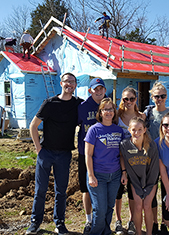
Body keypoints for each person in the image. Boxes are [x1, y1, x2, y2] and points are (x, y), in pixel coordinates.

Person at [26, 73, 83, 235]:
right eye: (67, 81)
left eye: (73, 82)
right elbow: (33, 126)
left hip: (65, 154)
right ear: (61, 83)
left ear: (75, 85)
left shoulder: (78, 104)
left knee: (61, 192)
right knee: (40, 190)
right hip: (47, 153)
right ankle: (35, 223)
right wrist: (39, 149)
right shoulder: (50, 103)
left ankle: (60, 223)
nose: (69, 84)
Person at [85, 97, 126, 235]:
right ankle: (96, 232)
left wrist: (124, 173)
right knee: (100, 209)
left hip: (114, 175)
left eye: (111, 109)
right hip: (98, 175)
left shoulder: (119, 131)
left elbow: (121, 155)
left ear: (114, 112)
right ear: (100, 112)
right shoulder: (94, 130)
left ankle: (106, 231)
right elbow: (88, 155)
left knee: (109, 207)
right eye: (105, 109)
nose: (108, 112)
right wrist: (90, 175)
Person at [144, 81, 169, 235]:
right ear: (152, 97)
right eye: (156, 96)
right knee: (152, 191)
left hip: (167, 156)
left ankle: (165, 222)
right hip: (151, 157)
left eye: (162, 96)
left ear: (166, 96)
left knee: (166, 190)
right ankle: (155, 223)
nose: (160, 99)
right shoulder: (148, 113)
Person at [120, 117, 159, 235]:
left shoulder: (151, 146)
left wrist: (148, 186)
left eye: (139, 129)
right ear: (129, 130)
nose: (136, 132)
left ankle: (149, 233)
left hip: (150, 180)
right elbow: (122, 157)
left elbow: (154, 169)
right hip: (135, 180)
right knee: (137, 206)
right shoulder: (125, 144)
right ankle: (138, 232)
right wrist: (124, 173)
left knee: (147, 206)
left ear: (145, 130)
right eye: (133, 129)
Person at [115, 87, 146, 235]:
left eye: (131, 99)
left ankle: (132, 221)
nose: (128, 102)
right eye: (125, 99)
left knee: (133, 193)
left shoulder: (142, 117)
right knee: (118, 193)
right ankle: (118, 221)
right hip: (117, 159)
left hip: (136, 161)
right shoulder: (117, 116)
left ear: (136, 99)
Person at [77, 78, 107, 234]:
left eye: (101, 88)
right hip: (85, 154)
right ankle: (89, 220)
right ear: (90, 91)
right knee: (86, 188)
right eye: (96, 89)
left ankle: (103, 221)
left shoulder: (108, 107)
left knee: (104, 188)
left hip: (104, 156)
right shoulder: (82, 107)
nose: (99, 91)